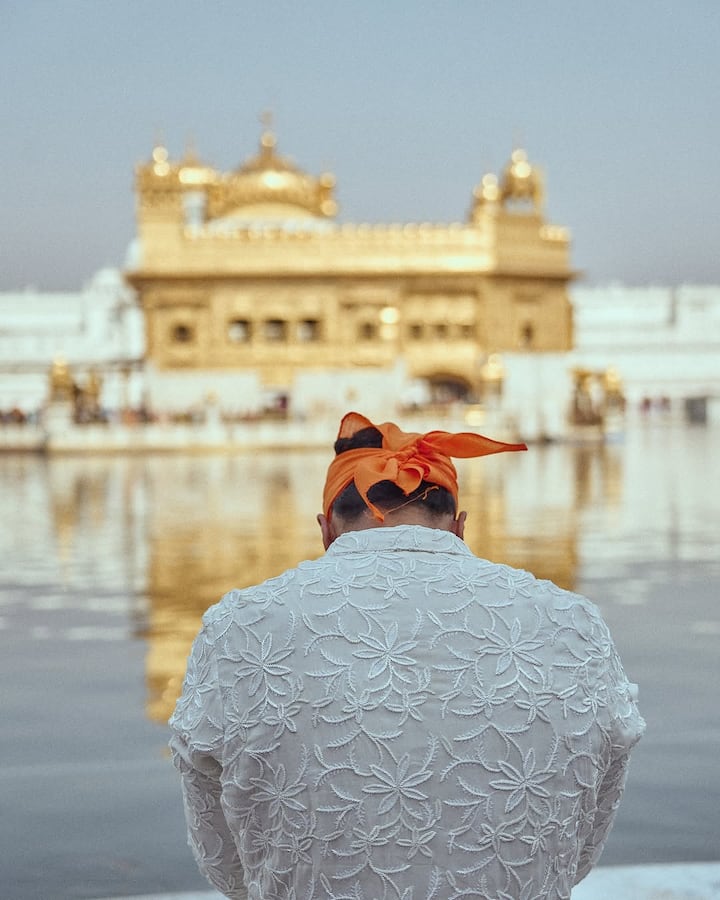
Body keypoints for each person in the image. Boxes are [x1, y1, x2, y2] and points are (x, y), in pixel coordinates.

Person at [169, 411, 644, 900]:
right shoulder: (574, 623)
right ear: (458, 527)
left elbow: (225, 862)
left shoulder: (239, 626)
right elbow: (579, 849)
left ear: (327, 530)